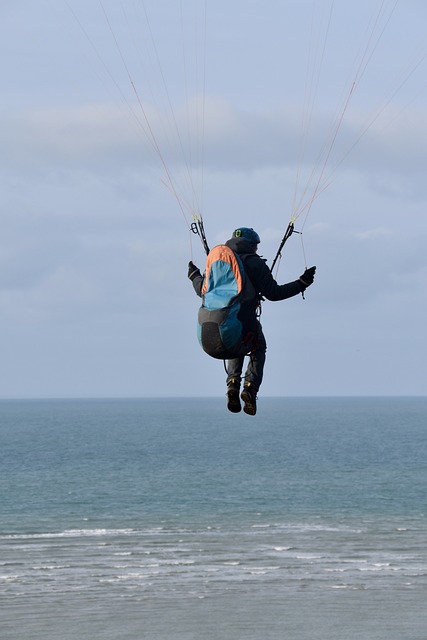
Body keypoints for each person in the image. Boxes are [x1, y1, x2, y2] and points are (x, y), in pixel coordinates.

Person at [188, 227, 316, 416]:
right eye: (256, 246)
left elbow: (202, 290)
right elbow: (274, 293)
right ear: (252, 246)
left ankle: (233, 383)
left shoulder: (218, 263)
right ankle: (250, 388)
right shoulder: (255, 263)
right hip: (232, 334)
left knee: (237, 332)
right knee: (256, 343)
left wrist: (193, 275)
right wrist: (302, 284)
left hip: (207, 338)